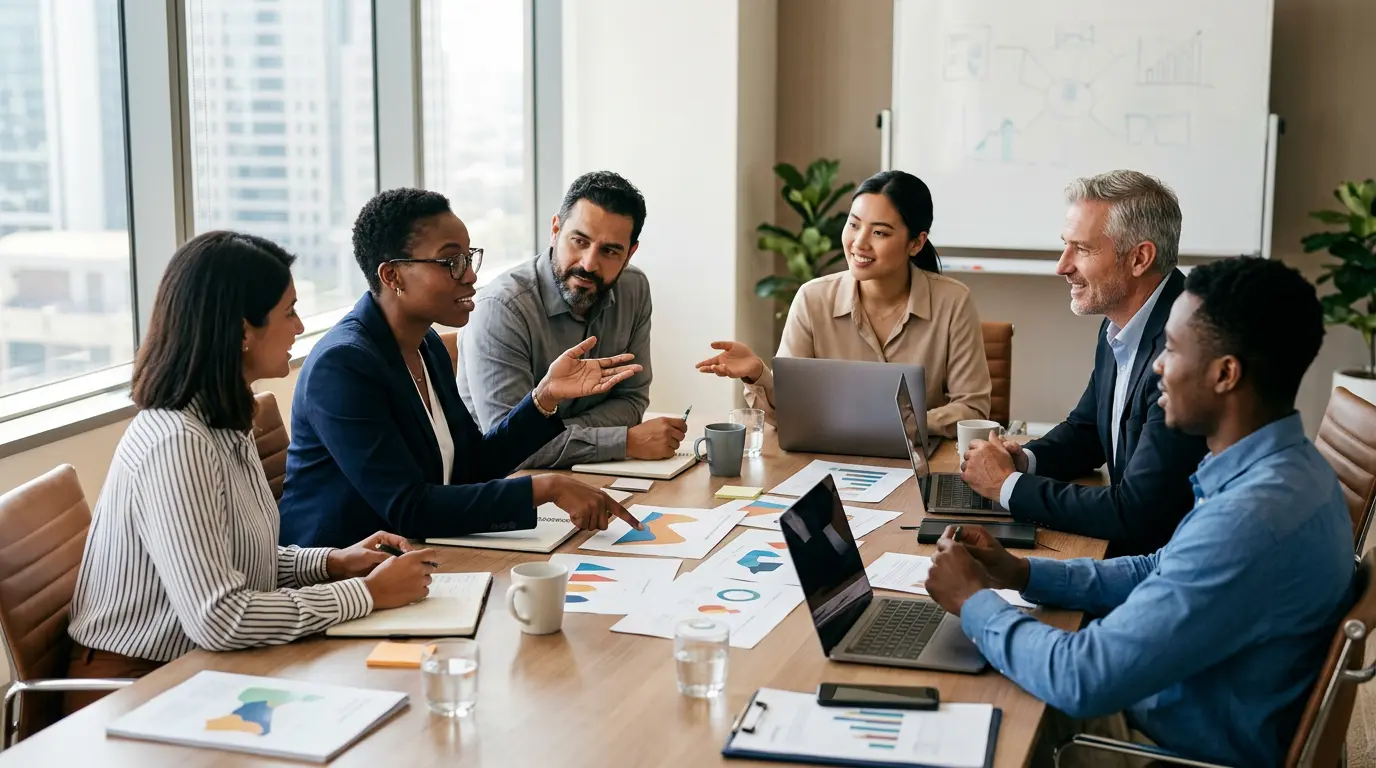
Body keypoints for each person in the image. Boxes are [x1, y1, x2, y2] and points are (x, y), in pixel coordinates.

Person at [925, 256, 1353, 767]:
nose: (1156, 366)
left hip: (1162, 749)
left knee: (953, 709)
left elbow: (1081, 678)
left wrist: (973, 602)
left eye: (1171, 349)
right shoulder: (1288, 468)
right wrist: (1022, 572)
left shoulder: (1249, 519)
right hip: (1189, 702)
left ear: (1225, 374)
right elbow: (1160, 567)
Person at [66, 232, 437, 712]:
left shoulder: (222, 417)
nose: (300, 326)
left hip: (201, 665)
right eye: (289, 312)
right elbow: (219, 616)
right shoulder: (178, 443)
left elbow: (235, 558)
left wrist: (332, 563)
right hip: (139, 686)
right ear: (243, 332)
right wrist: (364, 593)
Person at [278, 188, 644, 549]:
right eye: (451, 262)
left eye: (469, 258)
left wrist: (544, 398)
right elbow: (410, 508)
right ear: (392, 276)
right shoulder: (342, 365)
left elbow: (471, 466)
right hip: (337, 573)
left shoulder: (427, 344)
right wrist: (544, 487)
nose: (469, 275)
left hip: (414, 557)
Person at [961, 170, 1208, 554]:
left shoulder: (1183, 349)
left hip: (1164, 567)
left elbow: (1138, 512)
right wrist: (1024, 460)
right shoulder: (1124, 320)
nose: (1062, 266)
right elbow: (1089, 429)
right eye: (1065, 246)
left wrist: (1007, 486)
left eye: (1082, 249)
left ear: (1140, 258)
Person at [696, 170, 991, 438]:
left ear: (916, 243)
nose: (859, 243)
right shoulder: (813, 299)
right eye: (854, 225)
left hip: (920, 464)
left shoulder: (953, 302)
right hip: (831, 462)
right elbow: (789, 412)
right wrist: (757, 374)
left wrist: (897, 425)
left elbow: (972, 409)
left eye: (880, 233)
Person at [459, 171, 685, 468]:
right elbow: (510, 444)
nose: (589, 264)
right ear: (555, 229)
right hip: (506, 485)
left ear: (630, 253)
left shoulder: (634, 288)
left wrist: (551, 432)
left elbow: (632, 401)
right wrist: (624, 440)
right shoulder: (501, 308)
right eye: (579, 241)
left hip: (593, 472)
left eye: (609, 251)